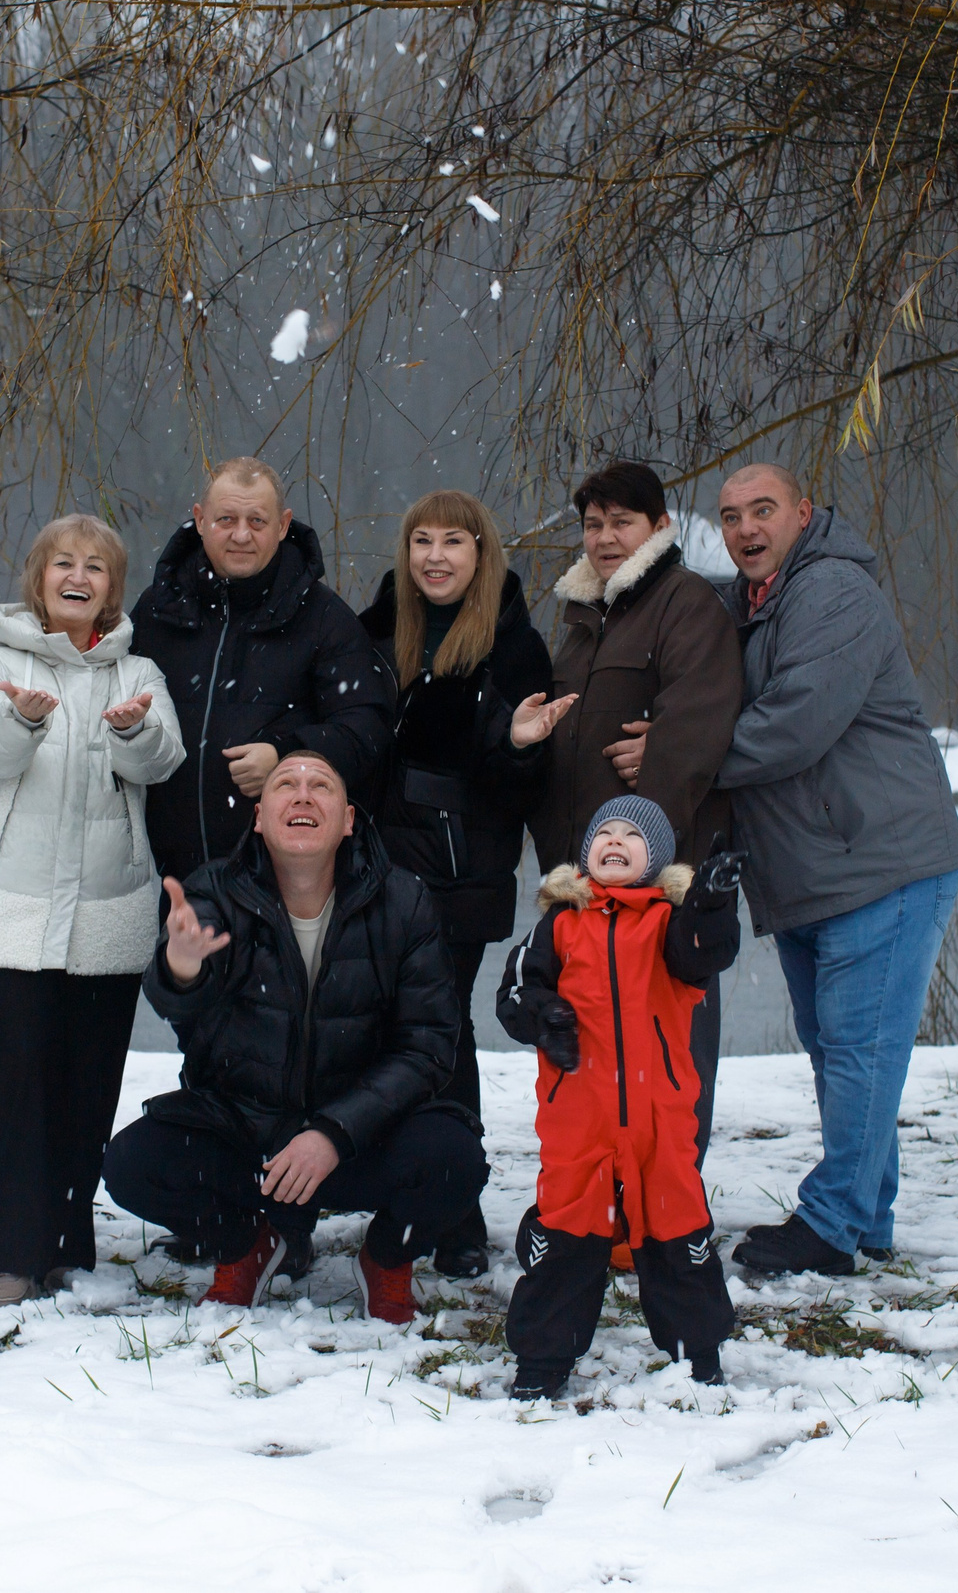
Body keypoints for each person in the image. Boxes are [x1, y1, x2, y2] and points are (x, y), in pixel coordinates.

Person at [102, 751, 485, 1323]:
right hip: (247, 1133)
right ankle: (248, 1245)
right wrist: (181, 965)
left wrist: (334, 1132)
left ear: (349, 819)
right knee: (134, 1163)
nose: (303, 795)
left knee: (455, 1160)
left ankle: (385, 1259)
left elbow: (428, 1043)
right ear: (259, 817)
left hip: (360, 1140)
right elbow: (180, 999)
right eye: (286, 784)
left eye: (321, 786)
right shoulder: (217, 889)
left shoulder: (402, 900)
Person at [710, 462, 958, 1279]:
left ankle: (830, 1225)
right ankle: (869, 1216)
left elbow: (794, 724)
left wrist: (679, 760)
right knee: (842, 1051)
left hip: (877, 862)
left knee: (859, 1051)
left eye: (763, 510)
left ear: (802, 513)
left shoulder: (831, 593)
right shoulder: (750, 605)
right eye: (730, 517)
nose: (747, 529)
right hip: (815, 873)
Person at [0, 515, 185, 1308]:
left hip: (107, 915)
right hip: (7, 916)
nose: (78, 576)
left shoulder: (138, 669)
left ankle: (66, 1241)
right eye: (63, 563)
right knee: (23, 1078)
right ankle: (14, 1249)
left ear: (113, 587)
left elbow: (163, 761)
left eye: (96, 566)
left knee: (88, 1085)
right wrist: (22, 718)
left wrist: (134, 732)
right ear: (39, 576)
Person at [357, 489, 573, 1276]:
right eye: (422, 540)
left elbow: (517, 795)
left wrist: (516, 746)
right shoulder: (376, 630)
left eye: (454, 541)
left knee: (440, 1039)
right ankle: (391, 1188)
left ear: (481, 555)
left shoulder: (513, 648)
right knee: (376, 1031)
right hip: (372, 870)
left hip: (456, 877)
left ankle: (454, 1207)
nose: (436, 555)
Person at [496, 796, 744, 1400]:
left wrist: (710, 900)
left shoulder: (671, 922)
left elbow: (705, 955)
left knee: (675, 1229)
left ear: (655, 859)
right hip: (578, 1118)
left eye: (632, 834)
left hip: (660, 1118)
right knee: (567, 1234)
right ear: (586, 855)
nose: (615, 839)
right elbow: (513, 995)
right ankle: (542, 1359)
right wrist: (542, 1013)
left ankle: (698, 1354)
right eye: (604, 831)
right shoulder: (558, 923)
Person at [531, 460, 744, 1159]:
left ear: (660, 526)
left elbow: (696, 728)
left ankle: (671, 1195)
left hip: (660, 883)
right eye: (593, 524)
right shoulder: (587, 616)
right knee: (596, 1045)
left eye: (623, 521)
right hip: (588, 884)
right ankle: (603, 1190)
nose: (605, 537)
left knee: (669, 1044)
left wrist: (634, 853)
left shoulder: (685, 604)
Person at [129, 457, 392, 884]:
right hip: (160, 875)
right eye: (226, 519)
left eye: (257, 521)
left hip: (276, 877)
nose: (241, 535)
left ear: (284, 525)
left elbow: (365, 727)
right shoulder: (158, 609)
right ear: (199, 520)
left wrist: (286, 756)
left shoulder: (324, 617)